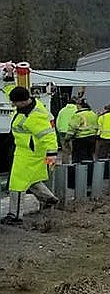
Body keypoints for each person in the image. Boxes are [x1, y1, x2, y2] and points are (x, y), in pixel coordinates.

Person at [1, 87, 59, 224]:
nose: (13, 105)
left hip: (29, 152)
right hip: (26, 149)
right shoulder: (26, 105)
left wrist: (52, 154)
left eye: (15, 103)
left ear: (22, 102)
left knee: (17, 183)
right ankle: (49, 199)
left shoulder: (36, 116)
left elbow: (48, 135)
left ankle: (15, 216)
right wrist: (9, 77)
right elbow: (12, 91)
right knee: (31, 179)